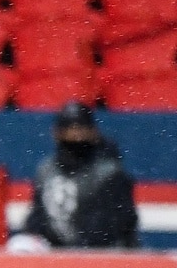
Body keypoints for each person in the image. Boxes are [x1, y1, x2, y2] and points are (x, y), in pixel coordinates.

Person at [10, 101, 139, 252]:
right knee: (20, 244)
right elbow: (37, 217)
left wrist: (77, 250)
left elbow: (112, 225)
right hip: (58, 250)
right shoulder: (47, 170)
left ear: (93, 132)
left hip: (103, 254)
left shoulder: (109, 172)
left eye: (81, 128)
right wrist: (39, 234)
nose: (75, 134)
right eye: (69, 128)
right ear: (56, 133)